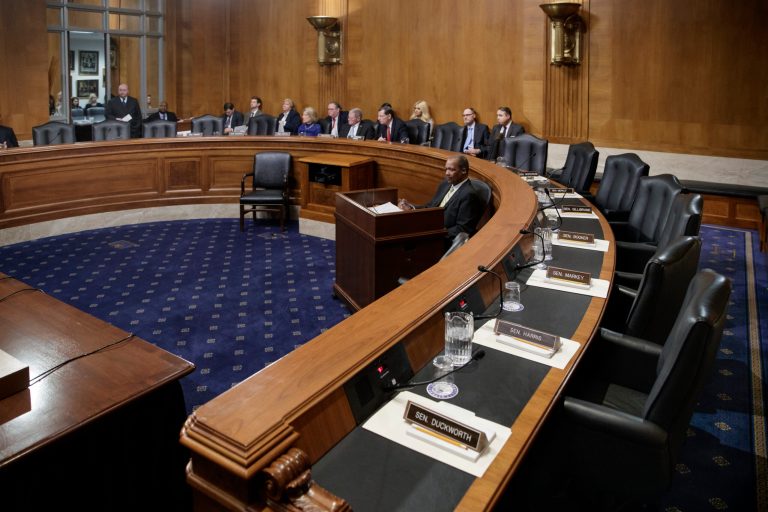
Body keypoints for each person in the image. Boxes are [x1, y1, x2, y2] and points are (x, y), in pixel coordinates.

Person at [398, 155, 485, 243]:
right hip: (429, 226)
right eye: (446, 169)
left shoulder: (469, 195)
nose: (447, 173)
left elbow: (462, 229)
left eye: (451, 169)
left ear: (464, 170)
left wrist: (434, 233)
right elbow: (431, 206)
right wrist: (412, 208)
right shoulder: (445, 184)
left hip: (441, 238)